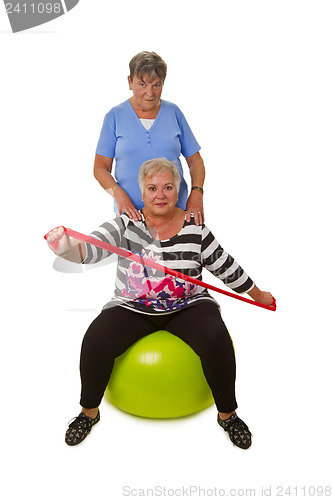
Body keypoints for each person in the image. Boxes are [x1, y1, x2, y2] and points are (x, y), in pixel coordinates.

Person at [46, 158, 274, 449]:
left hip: (189, 305)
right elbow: (90, 249)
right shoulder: (126, 225)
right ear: (142, 194)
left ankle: (228, 415)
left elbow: (225, 266)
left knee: (217, 338)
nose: (161, 194)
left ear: (178, 191)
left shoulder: (196, 227)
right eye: (153, 188)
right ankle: (88, 412)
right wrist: (66, 248)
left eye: (168, 187)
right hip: (132, 306)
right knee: (95, 340)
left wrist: (258, 295)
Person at [93, 51, 205, 225]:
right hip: (131, 216)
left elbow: (195, 161)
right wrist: (119, 195)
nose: (149, 93)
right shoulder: (114, 117)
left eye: (156, 85)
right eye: (142, 84)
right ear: (130, 82)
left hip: (176, 213)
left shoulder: (174, 113)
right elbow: (100, 168)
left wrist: (197, 192)